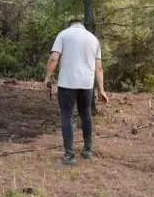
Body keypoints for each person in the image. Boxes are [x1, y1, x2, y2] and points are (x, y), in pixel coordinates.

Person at [44, 18, 109, 164]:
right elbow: (99, 67)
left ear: (70, 25)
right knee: (85, 114)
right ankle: (87, 151)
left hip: (67, 82)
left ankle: (69, 156)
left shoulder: (63, 35)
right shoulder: (93, 39)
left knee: (66, 115)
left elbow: (54, 59)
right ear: (82, 26)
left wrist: (48, 78)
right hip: (87, 83)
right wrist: (101, 90)